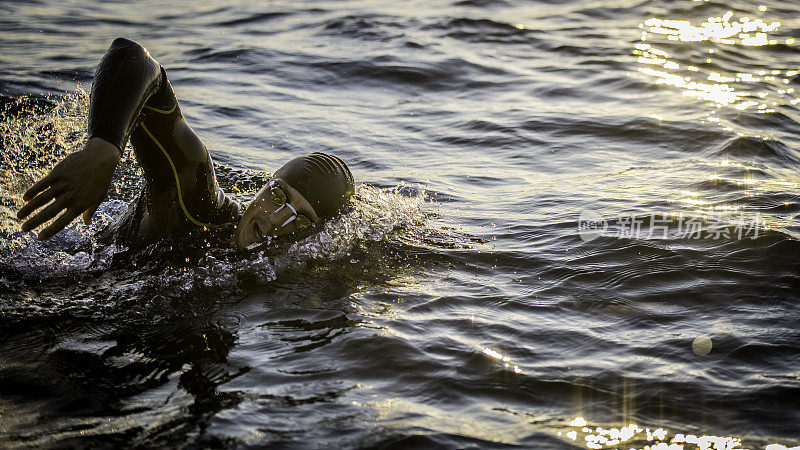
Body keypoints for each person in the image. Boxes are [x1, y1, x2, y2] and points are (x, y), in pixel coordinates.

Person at [16, 38, 354, 252]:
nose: (274, 222)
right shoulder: (198, 201)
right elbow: (132, 57)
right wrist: (103, 148)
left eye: (302, 220)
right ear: (265, 185)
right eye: (278, 195)